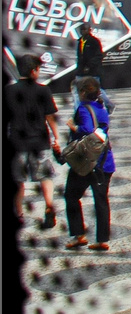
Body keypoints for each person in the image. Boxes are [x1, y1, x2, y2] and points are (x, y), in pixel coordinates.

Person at [7, 55, 61, 229]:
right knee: (45, 177)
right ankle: (49, 208)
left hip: (16, 143)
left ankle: (19, 214)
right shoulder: (43, 90)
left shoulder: (8, 91)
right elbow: (50, 117)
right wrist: (56, 137)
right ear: (34, 71)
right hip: (40, 142)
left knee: (17, 181)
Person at [63, 78, 114, 251]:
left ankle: (79, 235)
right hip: (104, 161)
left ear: (83, 92)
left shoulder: (84, 108)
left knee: (71, 195)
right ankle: (102, 240)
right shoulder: (101, 108)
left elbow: (86, 129)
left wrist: (73, 126)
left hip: (85, 163)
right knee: (101, 200)